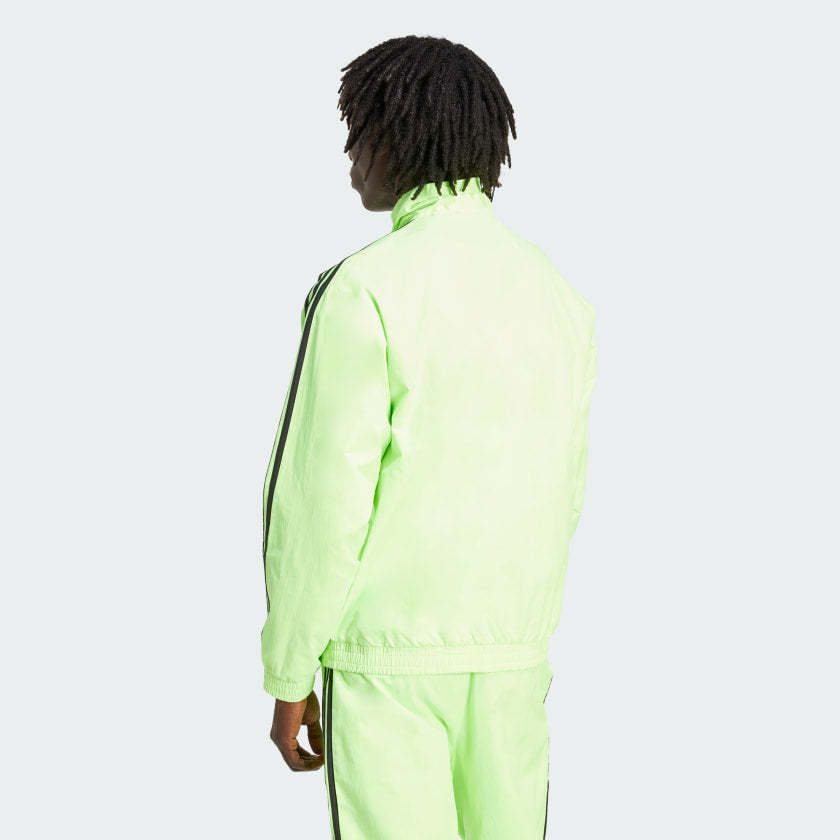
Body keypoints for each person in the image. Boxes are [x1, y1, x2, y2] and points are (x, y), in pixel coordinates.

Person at [260, 34, 597, 839]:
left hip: (386, 664)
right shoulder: (557, 294)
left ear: (398, 138)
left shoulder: (365, 290)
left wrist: (289, 669)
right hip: (514, 659)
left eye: (360, 132)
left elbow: (322, 499)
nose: (351, 156)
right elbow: (567, 486)